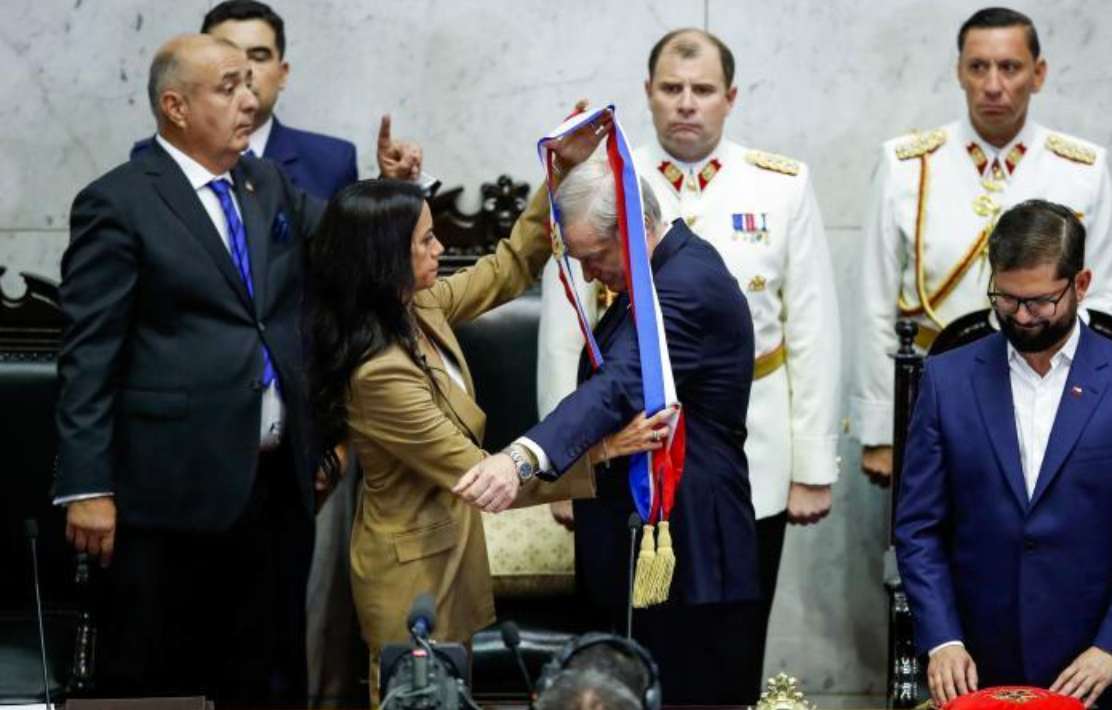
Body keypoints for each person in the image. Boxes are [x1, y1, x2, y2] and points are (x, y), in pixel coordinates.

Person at [55, 33, 416, 704]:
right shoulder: (119, 202)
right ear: (175, 106)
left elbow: (343, 243)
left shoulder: (265, 181)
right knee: (155, 676)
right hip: (166, 489)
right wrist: (85, 485)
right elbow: (89, 354)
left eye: (250, 84)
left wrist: (392, 194)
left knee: (263, 672)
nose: (249, 100)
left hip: (272, 485)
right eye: (228, 87)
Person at [302, 118, 655, 707]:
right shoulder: (379, 373)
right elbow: (481, 478)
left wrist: (560, 170)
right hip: (410, 580)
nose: (440, 249)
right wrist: (599, 451)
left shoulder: (418, 307)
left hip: (448, 558)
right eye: (425, 241)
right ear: (384, 258)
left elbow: (511, 264)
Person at [537, 28, 841, 683]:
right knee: (626, 635)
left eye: (702, 90)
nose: (685, 103)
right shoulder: (609, 178)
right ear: (647, 94)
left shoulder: (781, 186)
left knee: (729, 636)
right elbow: (568, 326)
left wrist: (813, 464)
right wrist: (566, 474)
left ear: (730, 98)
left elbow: (812, 326)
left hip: (747, 449)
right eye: (671, 89)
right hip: (621, 452)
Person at [458, 155, 760, 704]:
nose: (591, 274)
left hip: (688, 556)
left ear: (635, 226)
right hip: (645, 546)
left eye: (594, 258)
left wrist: (522, 457)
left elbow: (618, 385)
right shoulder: (658, 275)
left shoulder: (686, 285)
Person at [893, 200, 1112, 708]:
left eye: (1040, 301)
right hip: (973, 661)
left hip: (1092, 663)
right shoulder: (946, 380)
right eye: (1006, 300)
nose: (1023, 317)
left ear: (1081, 283)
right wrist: (943, 639)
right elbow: (918, 527)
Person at [853, 7, 1112, 484]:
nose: (993, 84)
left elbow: (1108, 300)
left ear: (1038, 74)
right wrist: (883, 429)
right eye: (978, 67)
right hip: (934, 396)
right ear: (959, 73)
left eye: (1010, 67)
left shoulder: (1083, 169)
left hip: (1050, 395)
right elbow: (875, 303)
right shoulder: (907, 165)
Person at [130, 0, 362, 200]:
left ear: (282, 74)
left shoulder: (330, 161)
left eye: (258, 57)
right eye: (226, 55)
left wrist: (390, 190)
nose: (244, 71)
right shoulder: (152, 159)